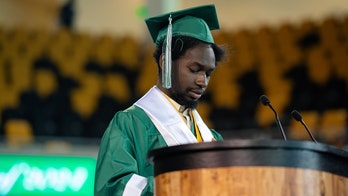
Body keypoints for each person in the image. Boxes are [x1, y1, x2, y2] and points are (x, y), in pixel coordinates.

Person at [94, 4, 226, 195]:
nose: (202, 81)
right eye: (194, 69)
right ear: (165, 62)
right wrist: (182, 184)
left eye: (208, 73)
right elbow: (113, 187)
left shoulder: (210, 137)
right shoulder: (130, 125)